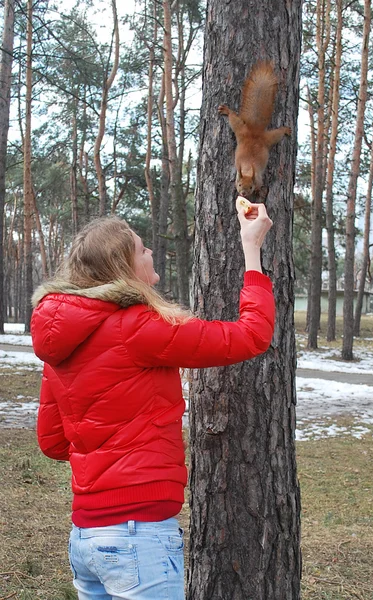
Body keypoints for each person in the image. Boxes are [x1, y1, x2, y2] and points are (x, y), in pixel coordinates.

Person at [31, 200, 275, 600]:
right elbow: (251, 335)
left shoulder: (59, 346)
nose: (150, 254)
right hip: (137, 535)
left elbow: (53, 442)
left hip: (86, 536)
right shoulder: (138, 328)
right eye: (142, 249)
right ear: (124, 267)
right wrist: (252, 249)